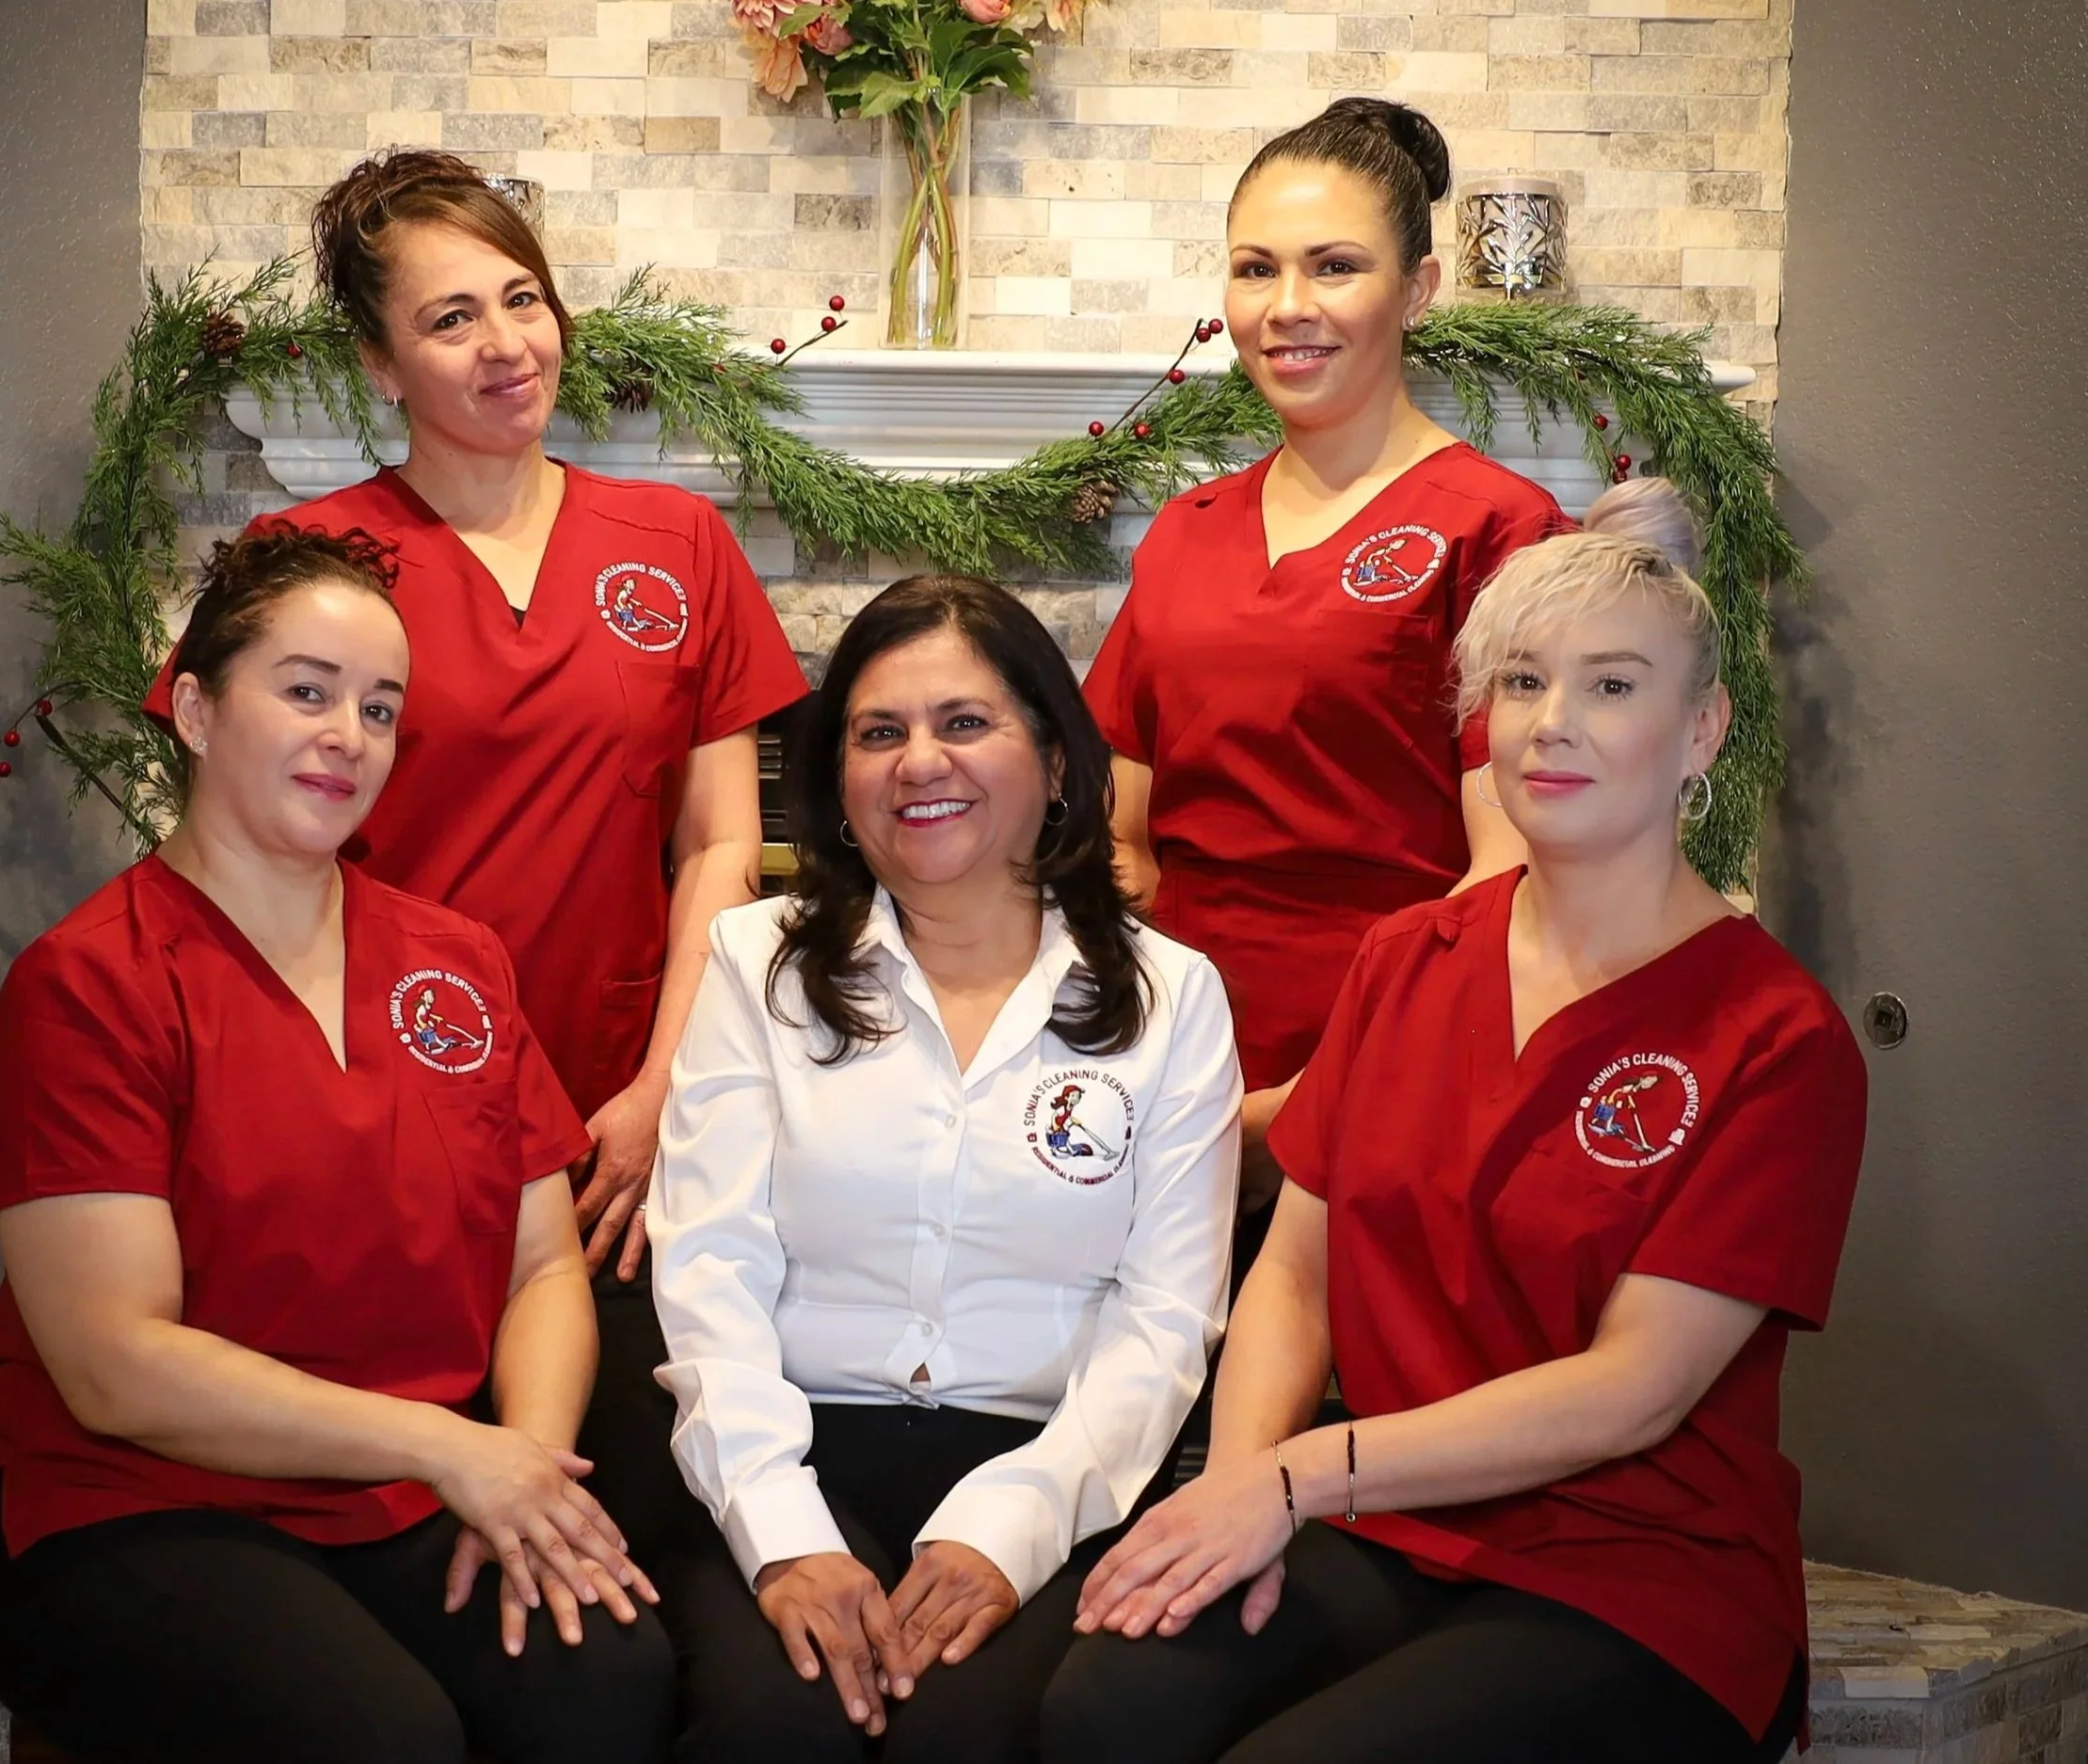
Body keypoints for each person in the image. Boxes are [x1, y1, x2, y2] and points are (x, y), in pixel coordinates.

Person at [1042, 490, 1868, 1764]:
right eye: (1524, 681)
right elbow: (1295, 1272)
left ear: (1700, 727)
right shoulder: (1404, 961)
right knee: (1107, 1705)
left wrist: (1298, 1477)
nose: (1553, 723)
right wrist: (1242, 1484)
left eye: (1611, 685)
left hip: (1636, 1566)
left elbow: (1633, 1386)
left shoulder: (1776, 1035)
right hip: (1396, 1520)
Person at [0, 531, 672, 1764]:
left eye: (378, 707)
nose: (349, 734)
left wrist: (523, 1466)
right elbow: (115, 1363)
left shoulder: (457, 961)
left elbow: (542, 1266)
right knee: (379, 1735)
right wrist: (446, 1444)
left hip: (395, 1489)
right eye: (306, 690)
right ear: (198, 708)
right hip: (122, 1500)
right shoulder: (92, 984)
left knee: (607, 1677)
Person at [141, 149, 808, 1556]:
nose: (508, 345)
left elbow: (720, 846)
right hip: (387, 1119)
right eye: (452, 319)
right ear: (379, 364)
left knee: (628, 1524)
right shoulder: (310, 556)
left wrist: (658, 1089)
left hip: (632, 1126)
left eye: (525, 299)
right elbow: (242, 850)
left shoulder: (678, 544)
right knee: (411, 1518)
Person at [648, 576, 1243, 1762]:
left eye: (964, 723)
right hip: (789, 1448)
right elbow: (709, 1264)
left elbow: (1168, 1319)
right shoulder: (754, 961)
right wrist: (783, 1534)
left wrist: (1010, 1530)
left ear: (1060, 765)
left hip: (1047, 1469)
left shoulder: (1174, 998)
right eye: (879, 733)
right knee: (781, 1725)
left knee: (969, 1737)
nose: (920, 761)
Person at [1083, 98, 1575, 1215]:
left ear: (1418, 289)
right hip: (1166, 1076)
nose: (1287, 308)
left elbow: (1511, 879)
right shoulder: (1187, 529)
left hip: (1389, 1078)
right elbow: (1119, 832)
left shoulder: (1499, 530)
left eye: (1335, 266)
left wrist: (1326, 1093)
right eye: (1254, 269)